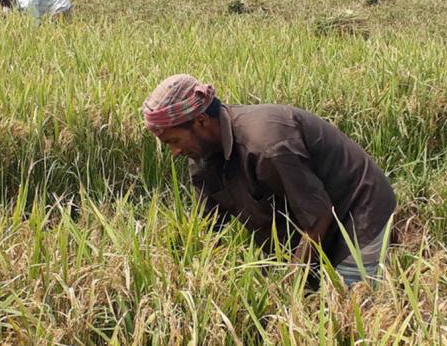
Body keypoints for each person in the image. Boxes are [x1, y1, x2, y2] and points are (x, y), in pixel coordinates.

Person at [142, 75, 397, 285]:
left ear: (200, 121)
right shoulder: (201, 154)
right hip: (306, 221)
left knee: (345, 305)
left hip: (357, 211)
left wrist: (292, 282)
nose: (174, 152)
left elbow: (319, 216)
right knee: (301, 290)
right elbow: (209, 227)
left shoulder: (267, 145)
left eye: (174, 141)